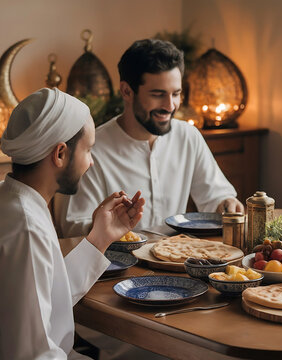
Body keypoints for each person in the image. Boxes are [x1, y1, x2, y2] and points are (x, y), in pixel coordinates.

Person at [0, 88, 145, 359]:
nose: (90, 162)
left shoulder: (12, 200)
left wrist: (100, 237)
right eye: (88, 150)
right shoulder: (27, 226)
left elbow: (45, 296)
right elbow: (33, 354)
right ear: (60, 154)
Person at [54, 39, 242, 237]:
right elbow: (71, 227)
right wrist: (109, 225)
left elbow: (215, 197)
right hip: (117, 263)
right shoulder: (93, 150)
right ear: (127, 91)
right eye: (158, 94)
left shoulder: (188, 136)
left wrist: (226, 204)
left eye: (176, 94)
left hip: (177, 259)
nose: (170, 106)